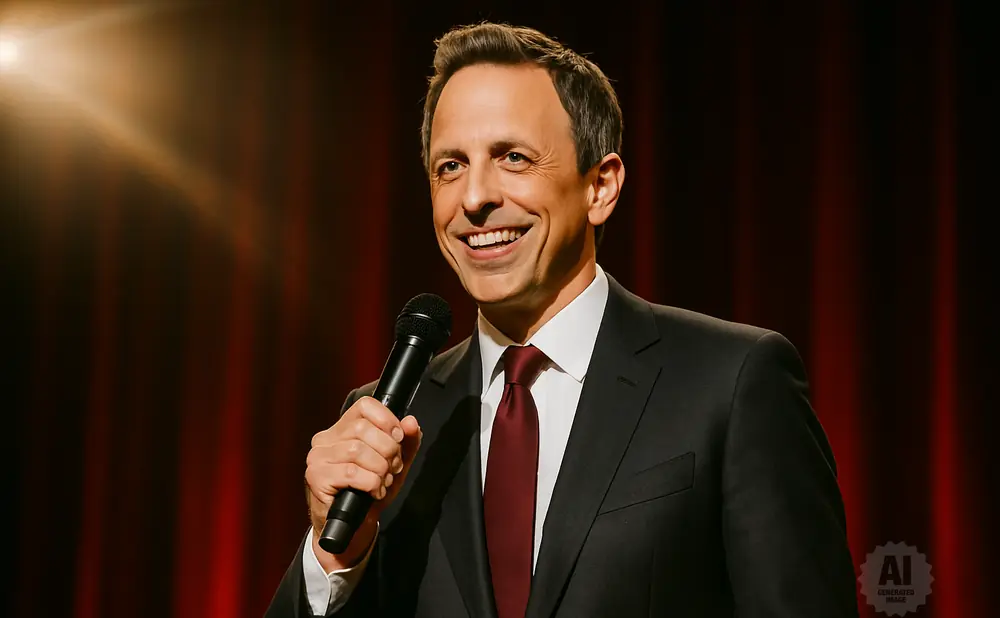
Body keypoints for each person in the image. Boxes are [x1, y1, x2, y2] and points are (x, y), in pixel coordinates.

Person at [266, 22, 859, 618]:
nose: (473, 197)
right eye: (450, 166)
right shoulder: (385, 422)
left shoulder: (732, 383)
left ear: (600, 186)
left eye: (513, 157)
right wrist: (333, 555)